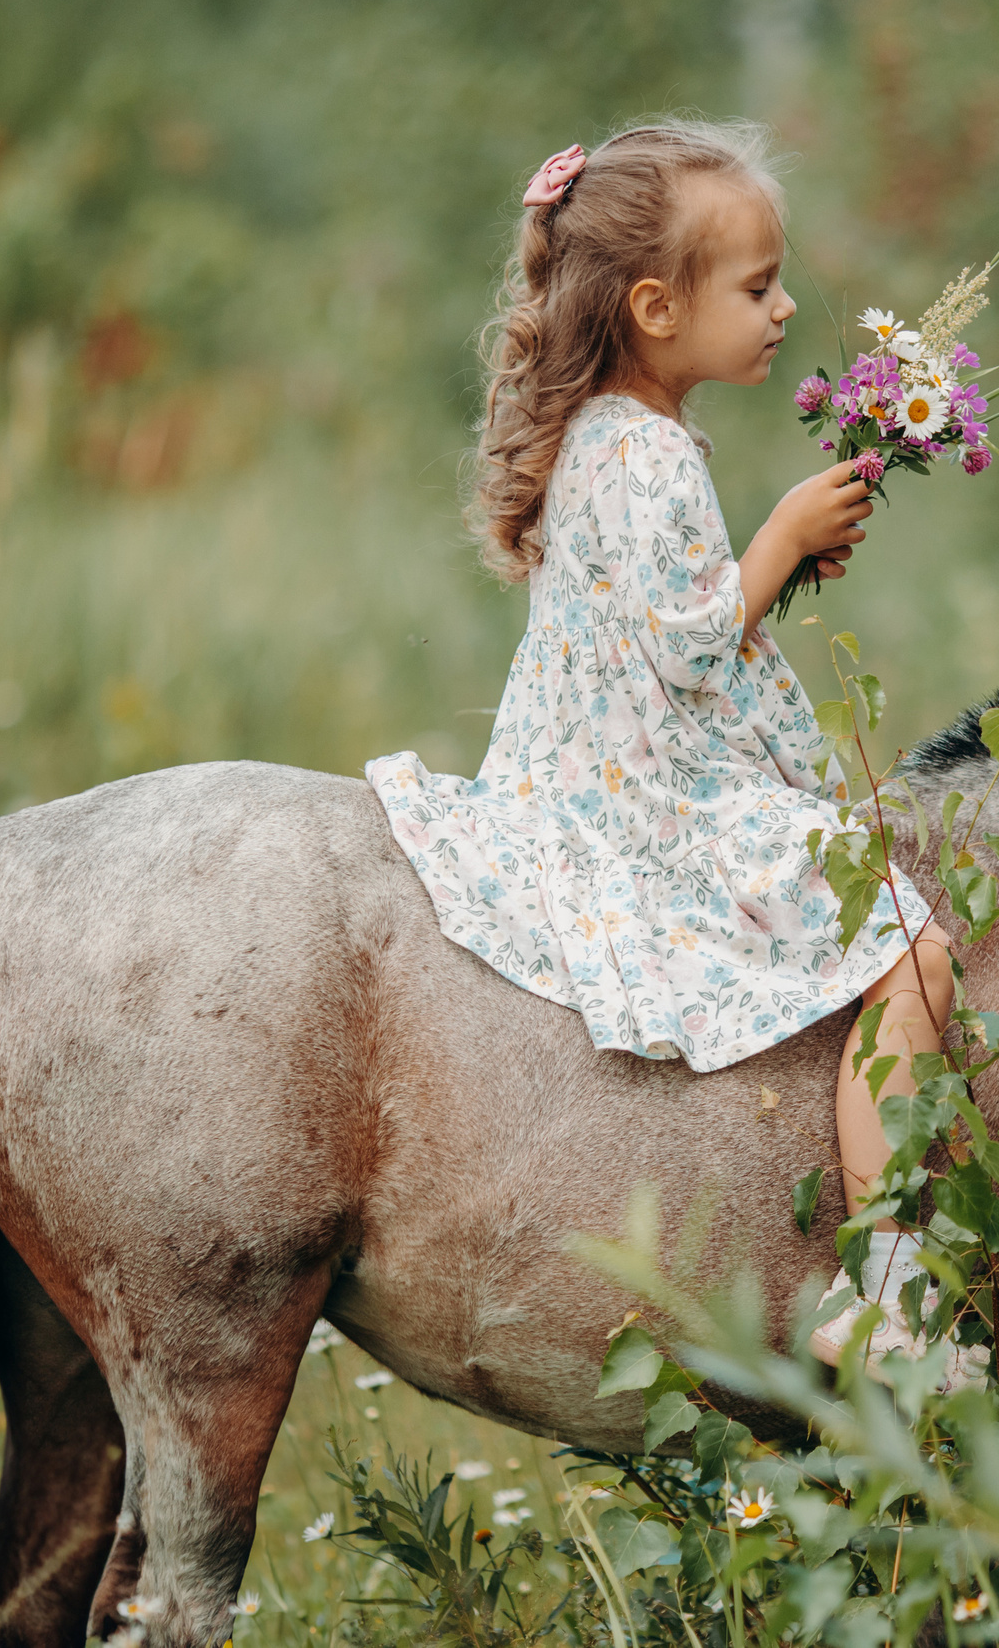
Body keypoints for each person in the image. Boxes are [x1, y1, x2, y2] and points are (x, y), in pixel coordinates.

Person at [364, 120, 967, 1378]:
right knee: (911, 952)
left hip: (598, 767)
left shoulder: (610, 432)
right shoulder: (642, 454)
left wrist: (773, 564)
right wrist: (780, 540)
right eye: (757, 287)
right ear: (655, 308)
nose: (785, 308)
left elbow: (662, 625)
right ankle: (887, 1285)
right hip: (644, 802)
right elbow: (690, 648)